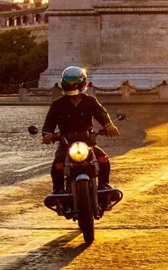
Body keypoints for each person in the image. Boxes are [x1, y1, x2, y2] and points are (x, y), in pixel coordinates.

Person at [42, 65, 119, 193]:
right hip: (66, 142)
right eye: (68, 81)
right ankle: (58, 189)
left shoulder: (90, 101)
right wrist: (47, 134)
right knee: (58, 163)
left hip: (87, 141)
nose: (71, 84)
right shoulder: (57, 104)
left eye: (74, 81)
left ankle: (104, 184)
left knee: (103, 159)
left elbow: (101, 114)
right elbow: (49, 123)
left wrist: (109, 125)